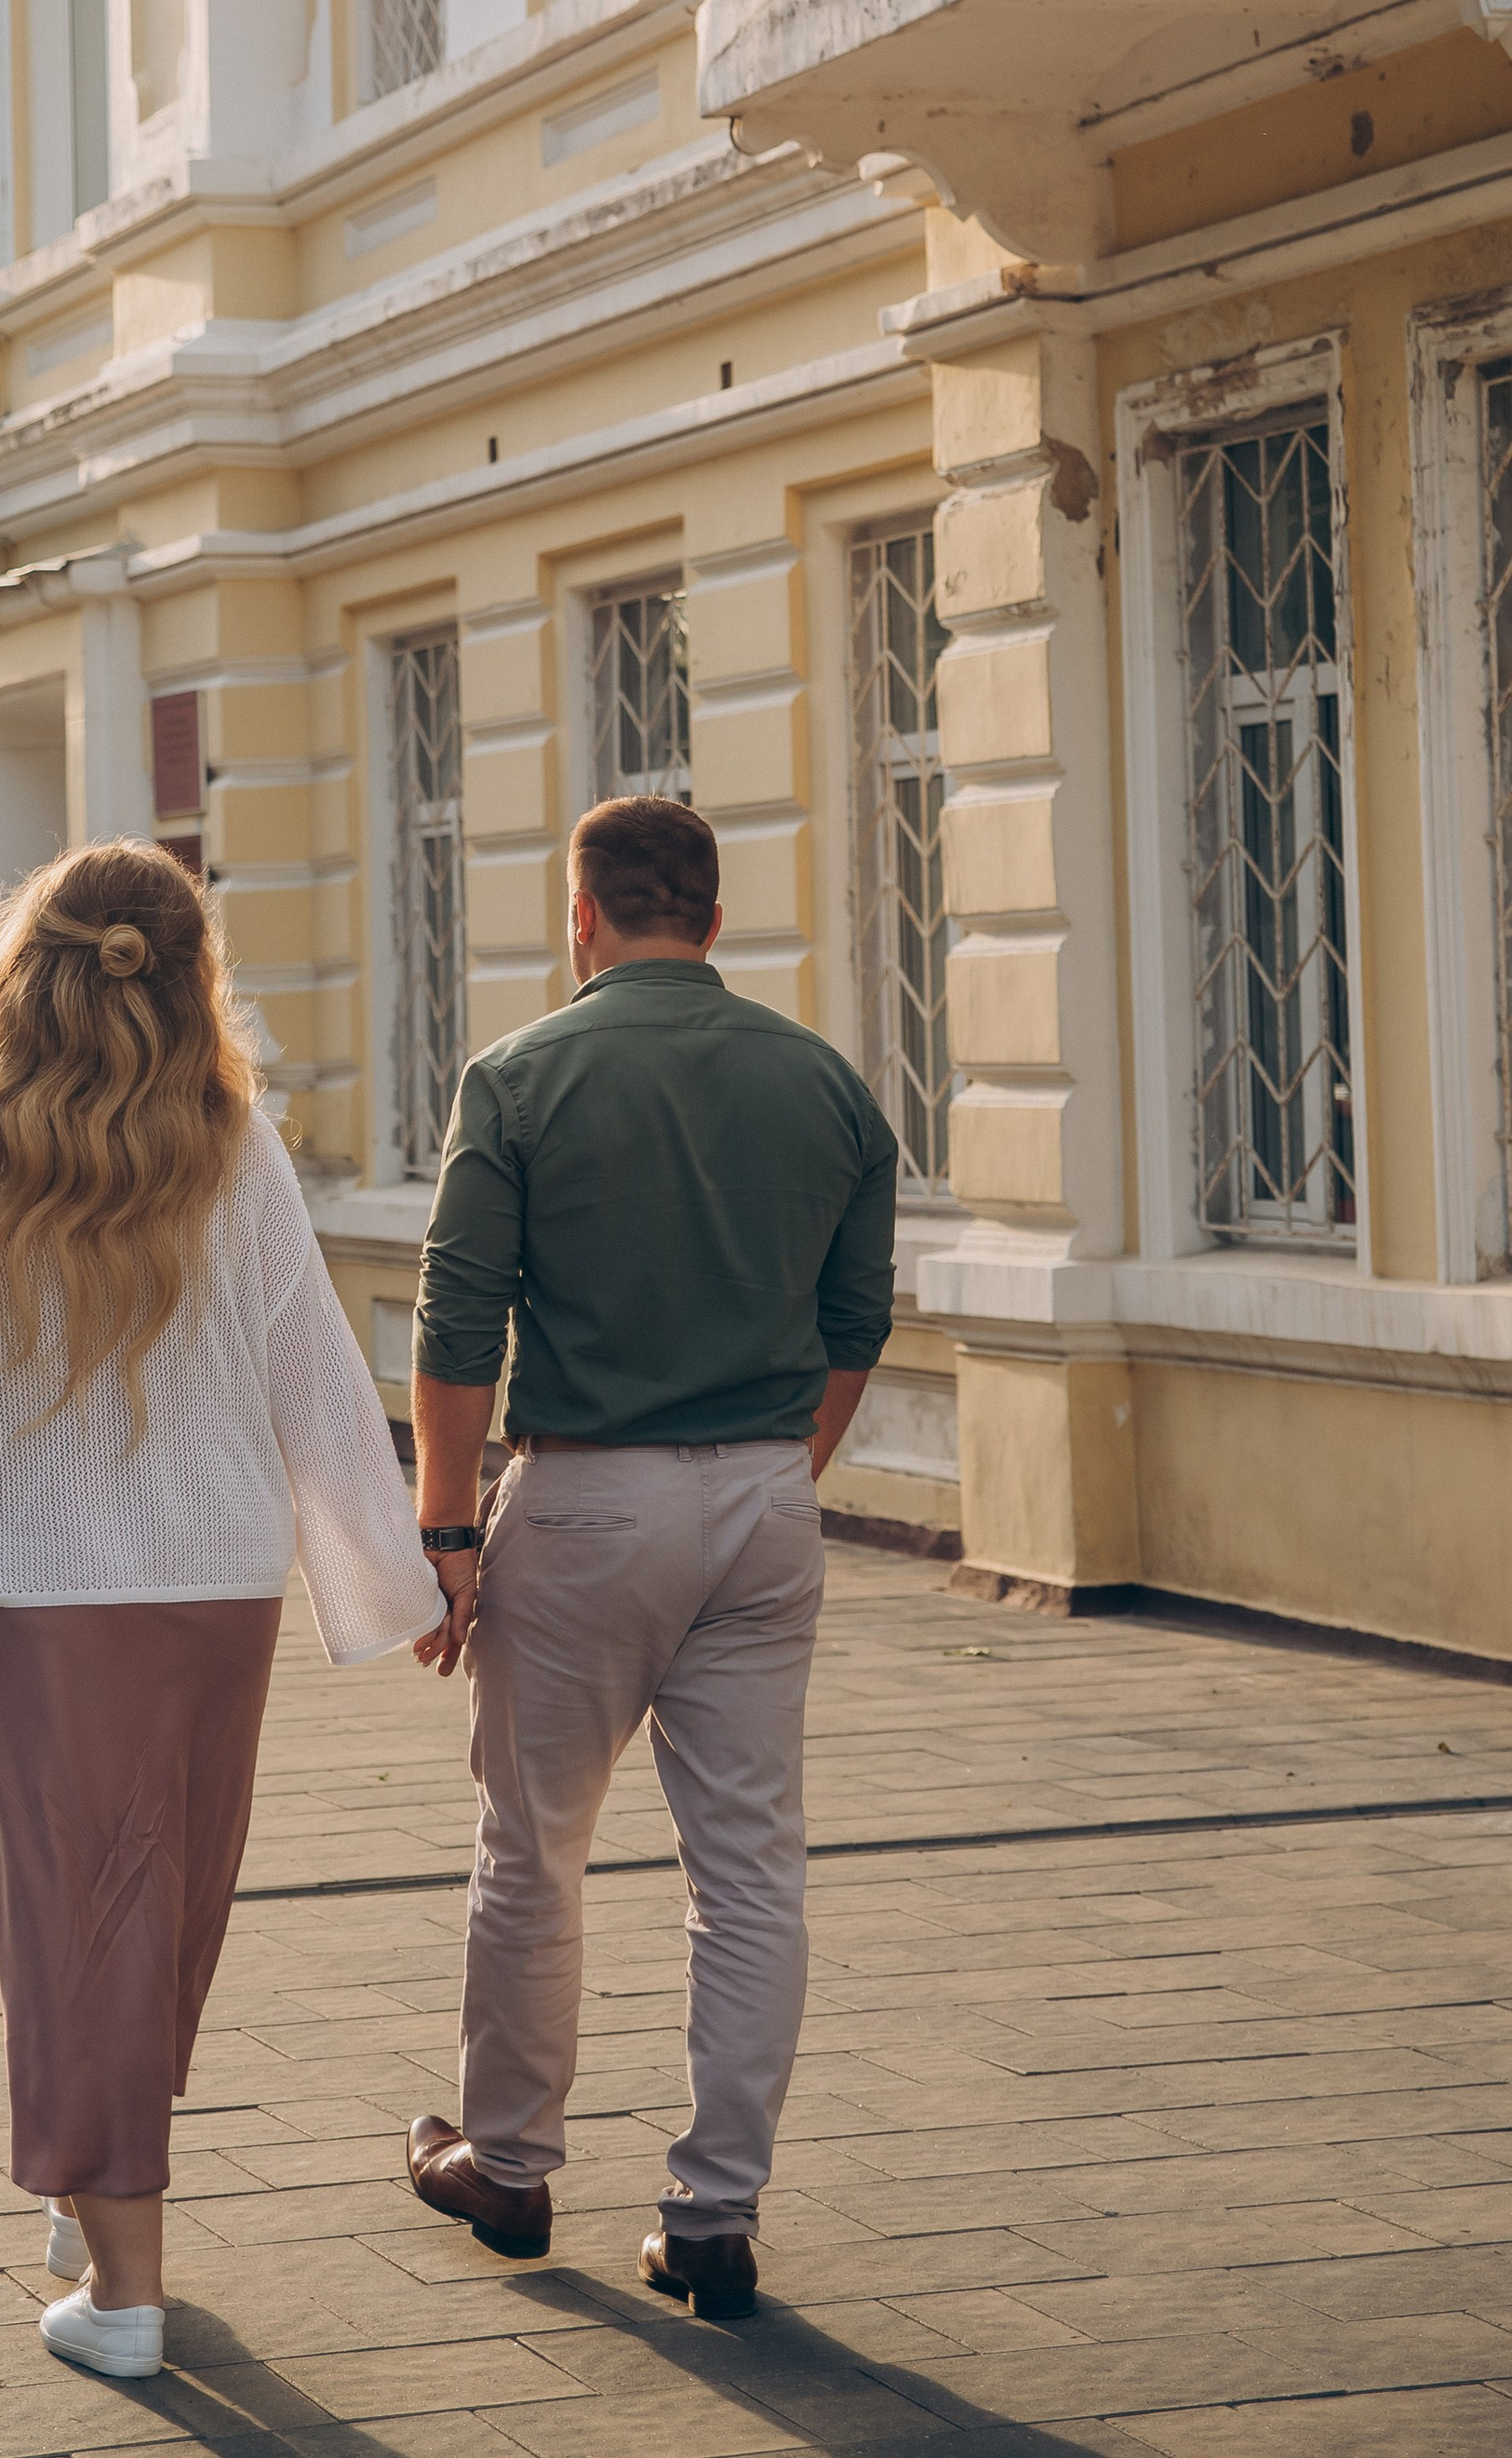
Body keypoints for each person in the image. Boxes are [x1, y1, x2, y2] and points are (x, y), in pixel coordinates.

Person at [0, 838, 439, 2384]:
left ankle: (123, 2296)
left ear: (22, 966)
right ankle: (89, 2175)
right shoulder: (235, 1148)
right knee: (159, 1916)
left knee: (74, 1925)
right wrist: (400, 1576)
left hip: (27, 1604)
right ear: (191, 978)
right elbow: (319, 1372)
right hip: (213, 1597)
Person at [403, 793, 895, 2319]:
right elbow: (856, 1323)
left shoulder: (522, 1074)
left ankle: (508, 2163)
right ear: (716, 919)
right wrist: (774, 1474)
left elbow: (455, 1319)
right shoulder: (823, 1084)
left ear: (583, 917)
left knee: (533, 1845)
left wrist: (445, 1531)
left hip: (585, 1503)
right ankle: (713, 2216)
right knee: (749, 1867)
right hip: (765, 1501)